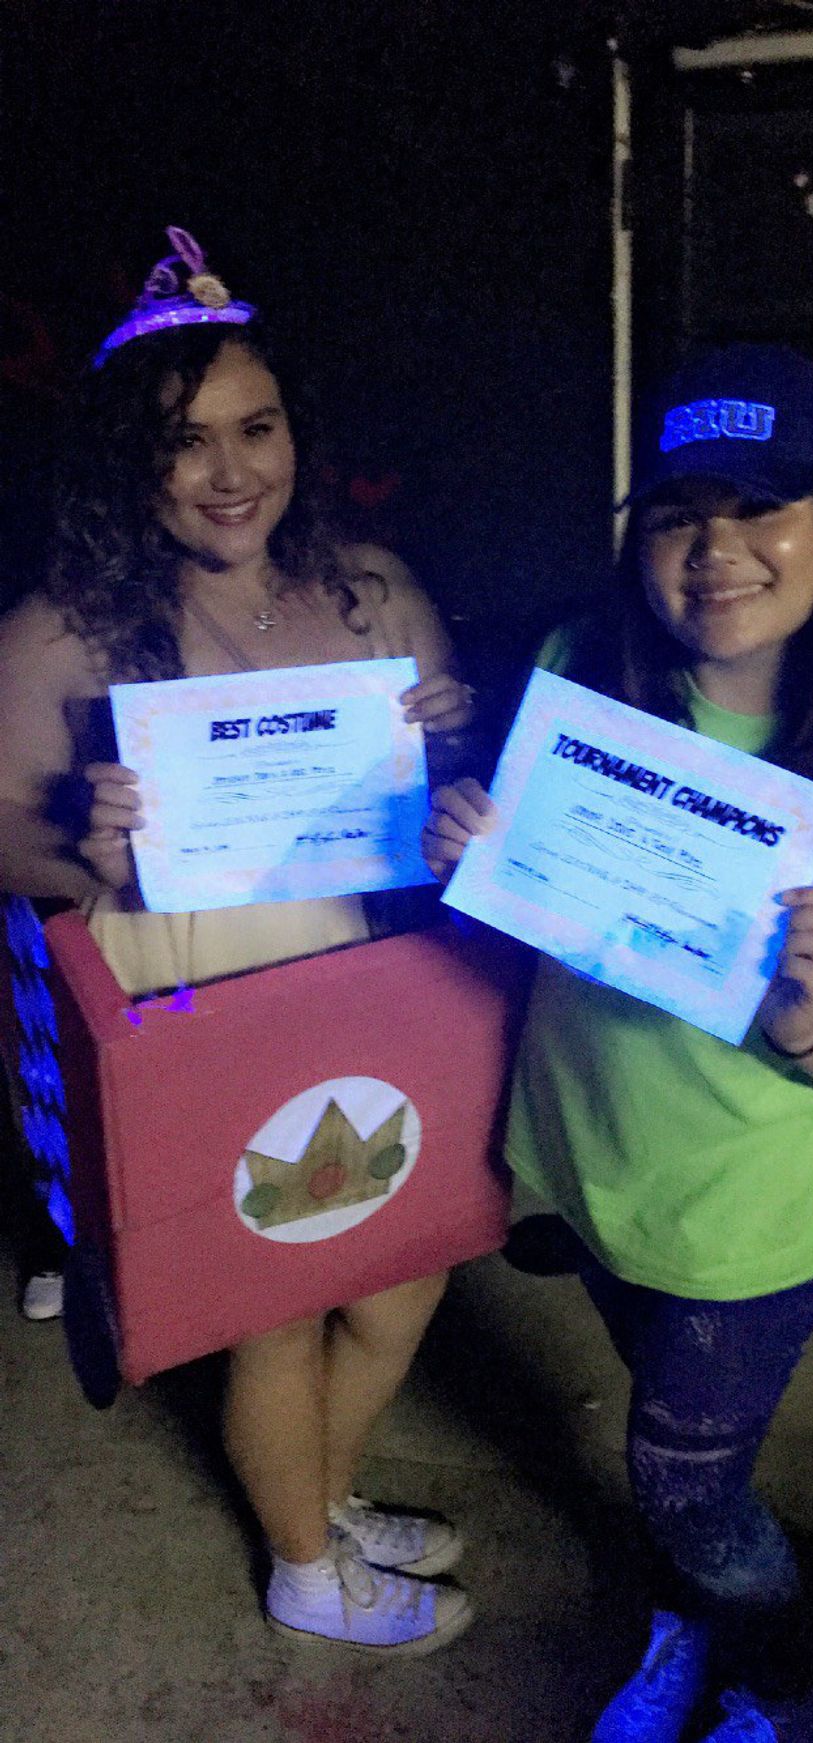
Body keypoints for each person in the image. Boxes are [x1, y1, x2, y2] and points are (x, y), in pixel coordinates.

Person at [422, 345, 813, 1740]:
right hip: (586, 1160)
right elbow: (536, 903)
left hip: (749, 1222)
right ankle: (693, 1610)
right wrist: (472, 846)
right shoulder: (582, 669)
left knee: (685, 1482)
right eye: (678, 513)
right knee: (666, 1420)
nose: (716, 551)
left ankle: (778, 1681)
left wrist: (811, 1030)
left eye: (761, 508)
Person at [0, 229, 476, 1654]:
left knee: (401, 1273)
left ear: (294, 435)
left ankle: (316, 1494)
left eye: (255, 427)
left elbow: (443, 786)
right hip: (200, 997)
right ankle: (304, 1569)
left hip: (369, 980)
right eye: (184, 439)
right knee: (276, 1302)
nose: (228, 470)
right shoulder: (64, 630)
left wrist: (451, 737)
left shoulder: (370, 583)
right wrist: (79, 853)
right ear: (130, 462)